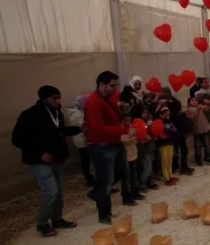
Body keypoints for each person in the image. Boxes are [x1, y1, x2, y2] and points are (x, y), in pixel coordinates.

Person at [11, 86, 82, 236]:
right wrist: (40, 154)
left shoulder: (56, 113)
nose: (57, 101)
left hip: (58, 158)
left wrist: (78, 129)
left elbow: (60, 131)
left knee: (59, 192)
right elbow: (17, 139)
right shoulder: (29, 115)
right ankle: (42, 223)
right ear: (44, 99)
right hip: (40, 161)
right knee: (51, 191)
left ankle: (57, 219)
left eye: (58, 97)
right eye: (54, 98)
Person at [84, 71, 132, 224]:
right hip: (100, 144)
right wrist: (125, 130)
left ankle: (97, 193)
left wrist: (123, 112)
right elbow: (98, 128)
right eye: (112, 85)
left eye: (116, 85)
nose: (115, 88)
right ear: (101, 85)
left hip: (114, 141)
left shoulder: (109, 98)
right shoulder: (93, 103)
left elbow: (113, 119)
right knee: (106, 180)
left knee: (123, 171)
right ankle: (104, 214)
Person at [67, 94, 95, 187]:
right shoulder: (76, 114)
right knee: (86, 160)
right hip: (82, 141)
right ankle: (89, 179)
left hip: (86, 139)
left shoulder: (81, 112)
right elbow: (83, 126)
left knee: (87, 160)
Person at [155, 104, 179, 186]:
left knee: (170, 160)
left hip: (170, 143)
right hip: (163, 145)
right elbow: (157, 133)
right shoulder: (158, 122)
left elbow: (173, 130)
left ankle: (170, 175)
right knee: (164, 161)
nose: (167, 116)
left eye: (168, 114)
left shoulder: (169, 122)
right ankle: (166, 177)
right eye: (166, 114)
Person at [187, 97, 210, 166]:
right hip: (197, 130)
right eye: (192, 100)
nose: (194, 101)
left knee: (206, 144)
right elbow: (194, 120)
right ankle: (198, 160)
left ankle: (207, 157)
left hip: (205, 128)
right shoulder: (189, 110)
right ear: (189, 103)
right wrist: (197, 110)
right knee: (197, 146)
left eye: (195, 100)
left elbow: (209, 109)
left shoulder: (201, 107)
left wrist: (208, 103)